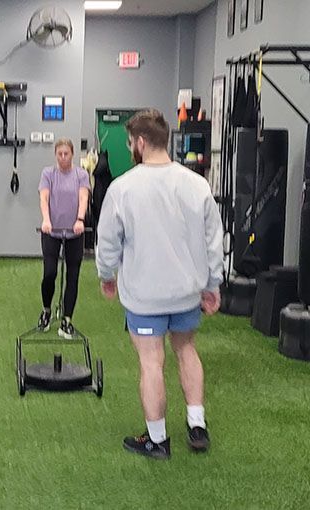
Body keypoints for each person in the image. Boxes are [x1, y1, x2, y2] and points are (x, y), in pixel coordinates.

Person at [95, 109, 222, 460]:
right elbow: (213, 240)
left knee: (151, 362)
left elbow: (107, 242)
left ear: (140, 142)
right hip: (186, 293)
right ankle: (196, 425)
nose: (129, 148)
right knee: (186, 350)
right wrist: (213, 284)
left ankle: (157, 440)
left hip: (145, 296)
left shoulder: (123, 188)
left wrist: (106, 276)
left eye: (129, 143)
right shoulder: (197, 184)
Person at [38, 138, 90, 338]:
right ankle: (46, 310)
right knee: (49, 273)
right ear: (55, 155)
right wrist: (46, 220)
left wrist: (80, 219)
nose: (62, 157)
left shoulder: (81, 175)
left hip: (74, 232)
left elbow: (83, 197)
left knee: (72, 276)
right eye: (59, 154)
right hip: (52, 231)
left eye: (66, 154)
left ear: (72, 154)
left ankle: (67, 320)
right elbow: (44, 197)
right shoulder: (48, 174)